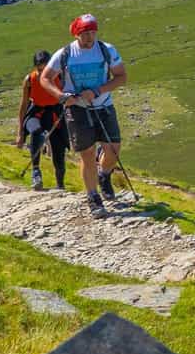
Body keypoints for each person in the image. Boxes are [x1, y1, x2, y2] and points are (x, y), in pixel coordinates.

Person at [45, 14, 129, 217]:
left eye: (93, 32)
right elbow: (45, 78)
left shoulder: (106, 50)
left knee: (113, 150)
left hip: (103, 105)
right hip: (77, 110)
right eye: (85, 33)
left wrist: (98, 91)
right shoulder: (65, 54)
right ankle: (93, 197)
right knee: (87, 153)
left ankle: (104, 174)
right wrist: (62, 96)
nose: (90, 37)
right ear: (76, 33)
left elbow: (121, 77)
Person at [18, 49, 68, 191]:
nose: (43, 73)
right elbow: (23, 106)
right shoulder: (29, 80)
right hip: (36, 112)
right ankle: (36, 172)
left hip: (56, 113)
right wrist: (20, 132)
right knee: (36, 131)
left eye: (46, 68)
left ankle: (60, 185)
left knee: (59, 152)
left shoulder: (60, 77)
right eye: (40, 69)